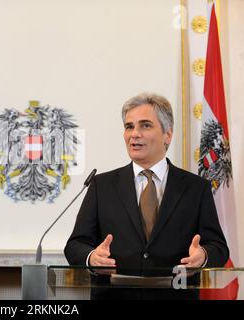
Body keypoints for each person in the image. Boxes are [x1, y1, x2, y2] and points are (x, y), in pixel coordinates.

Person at [64, 92, 229, 300]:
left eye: (145, 125)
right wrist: (92, 257)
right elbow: (75, 245)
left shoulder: (196, 188)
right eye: (129, 126)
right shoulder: (101, 185)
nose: (134, 134)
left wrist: (203, 255)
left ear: (167, 134)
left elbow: (219, 248)